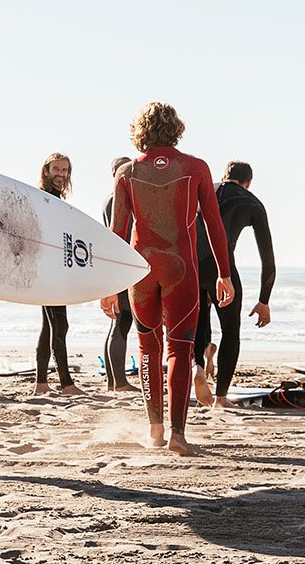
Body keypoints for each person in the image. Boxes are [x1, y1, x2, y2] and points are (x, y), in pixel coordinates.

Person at [106, 102, 231, 456]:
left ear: (139, 131)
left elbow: (117, 233)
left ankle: (155, 431)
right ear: (176, 128)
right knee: (180, 348)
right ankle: (178, 434)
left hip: (141, 271)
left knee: (148, 347)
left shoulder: (127, 173)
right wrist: (223, 274)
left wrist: (109, 286)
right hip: (182, 269)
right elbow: (214, 225)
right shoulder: (196, 168)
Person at [192, 161, 277, 407]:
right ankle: (221, 398)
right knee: (230, 331)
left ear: (224, 177)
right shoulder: (253, 202)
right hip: (223, 270)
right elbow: (268, 259)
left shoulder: (203, 191)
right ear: (248, 183)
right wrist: (263, 301)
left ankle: (197, 368)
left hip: (192, 267)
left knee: (197, 325)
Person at [30, 153, 85, 395]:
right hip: (48, 271)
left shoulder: (56, 198)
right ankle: (66, 384)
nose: (60, 174)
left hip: (50, 269)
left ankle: (41, 384)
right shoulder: (45, 198)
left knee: (48, 327)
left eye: (64, 170)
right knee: (60, 324)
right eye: (56, 169)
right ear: (46, 171)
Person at [98, 156, 137, 392]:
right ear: (115, 174)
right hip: (123, 267)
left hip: (116, 267)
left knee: (117, 323)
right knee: (122, 322)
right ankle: (119, 383)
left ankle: (113, 382)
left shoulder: (109, 199)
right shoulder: (117, 199)